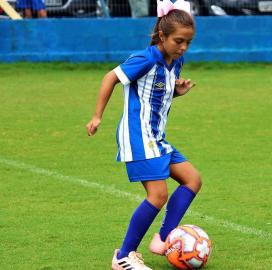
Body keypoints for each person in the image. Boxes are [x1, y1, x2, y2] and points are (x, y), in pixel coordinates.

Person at [86, 1, 200, 269]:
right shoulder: (146, 58)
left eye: (188, 42)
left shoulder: (176, 61)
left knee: (192, 180)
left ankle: (162, 239)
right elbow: (109, 78)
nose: (183, 47)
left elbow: (156, 94)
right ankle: (124, 255)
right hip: (137, 136)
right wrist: (97, 116)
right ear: (162, 36)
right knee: (158, 195)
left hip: (156, 137)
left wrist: (176, 92)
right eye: (178, 41)